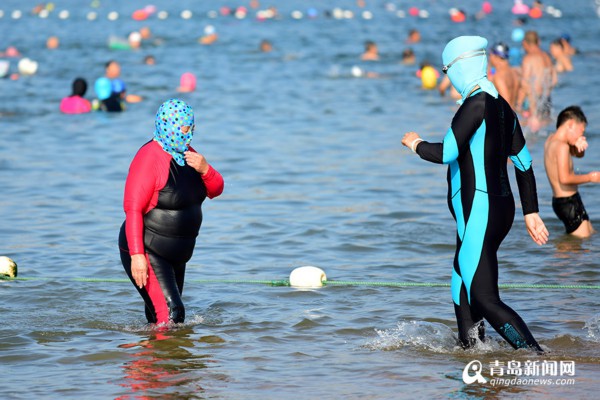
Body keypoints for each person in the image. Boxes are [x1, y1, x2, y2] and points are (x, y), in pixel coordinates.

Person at [401, 36, 548, 352]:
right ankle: (472, 353)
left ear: (459, 67)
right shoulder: (502, 106)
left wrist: (415, 143)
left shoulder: (475, 104)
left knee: (483, 296)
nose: (446, 77)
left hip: (479, 209)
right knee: (461, 284)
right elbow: (523, 162)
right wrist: (531, 212)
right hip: (495, 209)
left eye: (447, 69)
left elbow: (446, 152)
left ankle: (535, 356)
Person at [118, 99, 224, 326]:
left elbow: (216, 190)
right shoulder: (149, 158)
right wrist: (137, 256)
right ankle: (163, 358)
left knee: (161, 317)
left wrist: (206, 169)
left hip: (177, 255)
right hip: (148, 250)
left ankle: (152, 359)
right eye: (186, 127)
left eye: (192, 127)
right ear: (171, 125)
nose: (190, 133)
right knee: (172, 316)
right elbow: (133, 209)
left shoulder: (189, 154)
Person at [543, 106, 599, 237]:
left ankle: (562, 255)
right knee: (581, 250)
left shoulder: (551, 140)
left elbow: (578, 155)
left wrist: (580, 146)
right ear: (570, 124)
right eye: (581, 131)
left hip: (563, 202)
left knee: (589, 235)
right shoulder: (562, 147)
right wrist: (591, 177)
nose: (582, 135)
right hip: (568, 202)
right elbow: (565, 179)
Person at [515, 30, 557, 131]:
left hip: (533, 100)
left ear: (525, 43)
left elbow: (525, 84)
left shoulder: (528, 58)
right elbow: (554, 80)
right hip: (546, 99)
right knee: (544, 126)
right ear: (538, 42)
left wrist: (519, 104)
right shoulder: (546, 57)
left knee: (530, 132)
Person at [489, 42, 521, 108]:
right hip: (513, 113)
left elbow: (506, 102)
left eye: (490, 55)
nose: (489, 58)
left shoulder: (498, 76)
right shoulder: (514, 72)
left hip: (504, 116)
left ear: (496, 56)